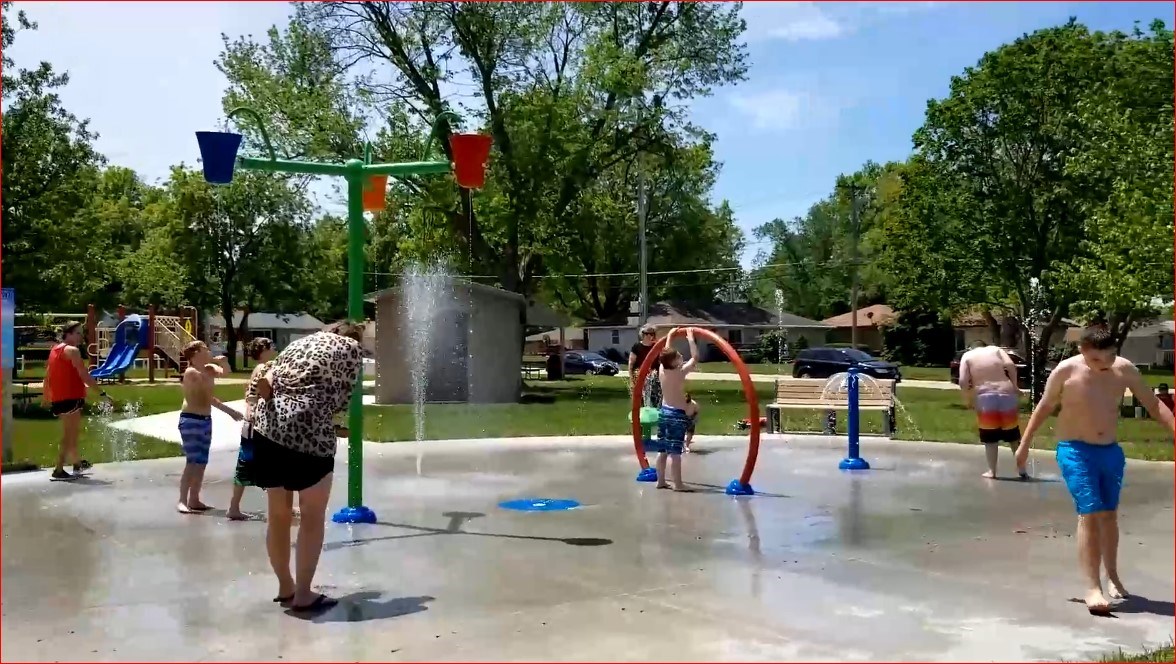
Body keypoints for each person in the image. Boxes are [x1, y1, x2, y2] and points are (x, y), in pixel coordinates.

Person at [1015, 326, 1174, 615]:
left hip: (1110, 451)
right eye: (1097, 360)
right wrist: (1024, 444)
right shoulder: (1066, 371)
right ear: (1082, 352)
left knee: (1109, 514)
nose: (1105, 365)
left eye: (1110, 357)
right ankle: (1092, 587)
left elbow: (1152, 404)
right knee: (1089, 512)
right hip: (1075, 450)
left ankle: (1112, 576)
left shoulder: (1124, 370)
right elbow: (1045, 405)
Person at [248, 321, 364, 613]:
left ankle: (284, 586)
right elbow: (341, 399)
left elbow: (272, 378)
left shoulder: (298, 343)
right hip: (308, 433)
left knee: (277, 515)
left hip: (267, 428)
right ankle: (303, 594)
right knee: (312, 517)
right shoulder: (350, 349)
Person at [177, 341, 242, 514]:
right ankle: (182, 501)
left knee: (202, 462)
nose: (209, 351)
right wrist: (230, 411)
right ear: (196, 353)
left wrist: (224, 362)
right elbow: (208, 398)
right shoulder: (191, 373)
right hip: (191, 420)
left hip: (205, 420)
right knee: (192, 462)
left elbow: (226, 373)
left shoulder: (209, 369)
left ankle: (194, 499)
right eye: (205, 349)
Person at [40, 322, 110, 480]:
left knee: (72, 433)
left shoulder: (55, 350)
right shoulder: (73, 351)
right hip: (70, 397)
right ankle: (58, 470)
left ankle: (77, 463)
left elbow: (48, 375)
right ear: (69, 334)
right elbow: (84, 375)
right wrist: (102, 393)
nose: (81, 337)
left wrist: (46, 396)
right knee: (69, 434)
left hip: (59, 398)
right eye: (78, 333)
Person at [958, 341, 1026, 479]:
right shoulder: (996, 349)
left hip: (985, 396)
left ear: (972, 347)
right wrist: (1015, 385)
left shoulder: (968, 355)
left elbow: (963, 381)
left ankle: (992, 471)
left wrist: (968, 398)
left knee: (990, 437)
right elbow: (1011, 365)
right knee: (1013, 436)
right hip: (1006, 392)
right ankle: (1022, 470)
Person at [227, 337, 277, 521]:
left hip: (256, 424)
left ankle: (279, 504)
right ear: (263, 350)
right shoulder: (264, 368)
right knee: (249, 465)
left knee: (265, 464)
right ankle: (234, 507)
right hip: (256, 426)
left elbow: (248, 393)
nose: (274, 347)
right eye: (271, 345)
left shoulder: (263, 368)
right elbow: (255, 395)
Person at [649, 327, 698, 491]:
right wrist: (690, 338)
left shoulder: (662, 370)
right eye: (678, 356)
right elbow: (695, 357)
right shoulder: (680, 372)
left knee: (662, 449)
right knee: (675, 452)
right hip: (677, 415)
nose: (681, 356)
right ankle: (678, 484)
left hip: (664, 412)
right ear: (674, 362)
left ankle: (661, 481)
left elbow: (666, 352)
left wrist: (670, 336)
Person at [628, 325, 662, 407]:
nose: (650, 336)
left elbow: (662, 361)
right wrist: (631, 379)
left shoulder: (657, 346)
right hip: (639, 376)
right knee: (639, 401)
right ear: (642, 334)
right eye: (647, 333)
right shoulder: (637, 347)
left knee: (656, 401)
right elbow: (631, 363)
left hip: (654, 378)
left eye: (652, 334)